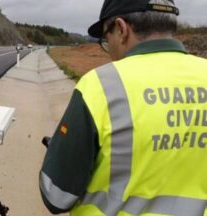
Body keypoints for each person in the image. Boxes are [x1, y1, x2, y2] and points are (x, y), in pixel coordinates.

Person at [39, 0, 207, 215]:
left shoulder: (100, 86)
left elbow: (56, 196)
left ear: (121, 28)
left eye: (106, 39)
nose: (108, 50)